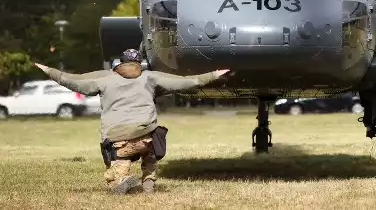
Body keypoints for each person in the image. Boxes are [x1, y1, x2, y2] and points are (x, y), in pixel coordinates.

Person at [34, 49, 231, 194]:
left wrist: (50, 71)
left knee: (120, 159)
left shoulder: (105, 78)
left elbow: (73, 81)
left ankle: (119, 179)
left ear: (120, 63)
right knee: (151, 146)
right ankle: (148, 183)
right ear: (140, 63)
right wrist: (214, 74)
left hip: (118, 140)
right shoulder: (149, 77)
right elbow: (188, 82)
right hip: (145, 138)